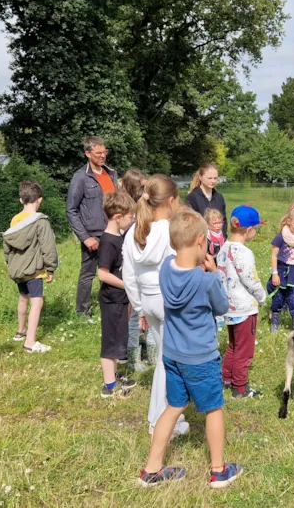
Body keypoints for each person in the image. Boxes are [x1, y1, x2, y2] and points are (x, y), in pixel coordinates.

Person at [137, 210, 242, 488]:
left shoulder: (166, 269)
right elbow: (221, 307)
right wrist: (215, 273)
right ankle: (219, 470)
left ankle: (152, 469)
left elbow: (181, 273)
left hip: (172, 354)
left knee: (173, 407)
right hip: (201, 357)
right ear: (200, 241)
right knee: (214, 409)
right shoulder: (205, 280)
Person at [122, 175, 190, 438]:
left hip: (148, 301)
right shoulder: (170, 231)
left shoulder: (134, 232)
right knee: (169, 362)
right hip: (170, 301)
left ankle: (166, 417)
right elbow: (180, 268)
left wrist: (139, 308)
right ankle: (161, 422)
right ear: (172, 201)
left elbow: (129, 275)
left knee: (164, 358)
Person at [216, 205, 267, 398]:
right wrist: (262, 297)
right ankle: (240, 387)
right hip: (244, 309)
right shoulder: (244, 252)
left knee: (233, 346)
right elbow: (251, 279)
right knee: (244, 351)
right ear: (248, 230)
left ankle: (226, 379)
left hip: (228, 307)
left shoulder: (223, 248)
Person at [3, 181, 59, 354]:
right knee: (37, 302)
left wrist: (9, 263)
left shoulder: (15, 220)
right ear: (39, 200)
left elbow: (7, 246)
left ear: (21, 200)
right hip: (34, 270)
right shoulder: (40, 221)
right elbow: (48, 246)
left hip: (18, 269)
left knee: (23, 297)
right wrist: (51, 268)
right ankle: (30, 342)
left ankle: (20, 331)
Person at [66, 136, 118, 316]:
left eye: (104, 152)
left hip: (113, 232)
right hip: (92, 235)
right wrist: (85, 237)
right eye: (98, 153)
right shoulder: (81, 177)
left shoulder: (111, 173)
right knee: (88, 274)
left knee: (112, 271)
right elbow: (71, 210)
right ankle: (82, 312)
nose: (103, 156)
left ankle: (110, 307)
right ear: (87, 153)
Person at [97, 192, 138, 397]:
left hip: (120, 300)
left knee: (117, 340)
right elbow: (102, 274)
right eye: (131, 217)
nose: (133, 220)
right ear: (118, 216)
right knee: (110, 344)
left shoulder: (119, 237)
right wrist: (128, 285)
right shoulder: (108, 241)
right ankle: (109, 386)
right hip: (111, 300)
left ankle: (113, 375)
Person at [118, 168, 149, 373]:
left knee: (144, 313)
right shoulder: (129, 213)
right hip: (131, 268)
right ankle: (132, 356)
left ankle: (147, 352)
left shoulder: (142, 209)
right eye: (143, 186)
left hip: (143, 269)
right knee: (134, 314)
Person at [267, 204, 294, 333]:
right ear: (289, 221)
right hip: (281, 270)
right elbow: (274, 255)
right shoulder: (281, 237)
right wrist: (274, 273)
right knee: (278, 297)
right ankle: (275, 322)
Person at [184, 162, 226, 238]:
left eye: (215, 178)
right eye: (209, 178)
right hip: (199, 244)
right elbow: (189, 224)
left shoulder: (219, 197)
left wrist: (223, 239)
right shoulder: (192, 198)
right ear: (200, 177)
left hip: (219, 244)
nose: (213, 181)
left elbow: (224, 221)